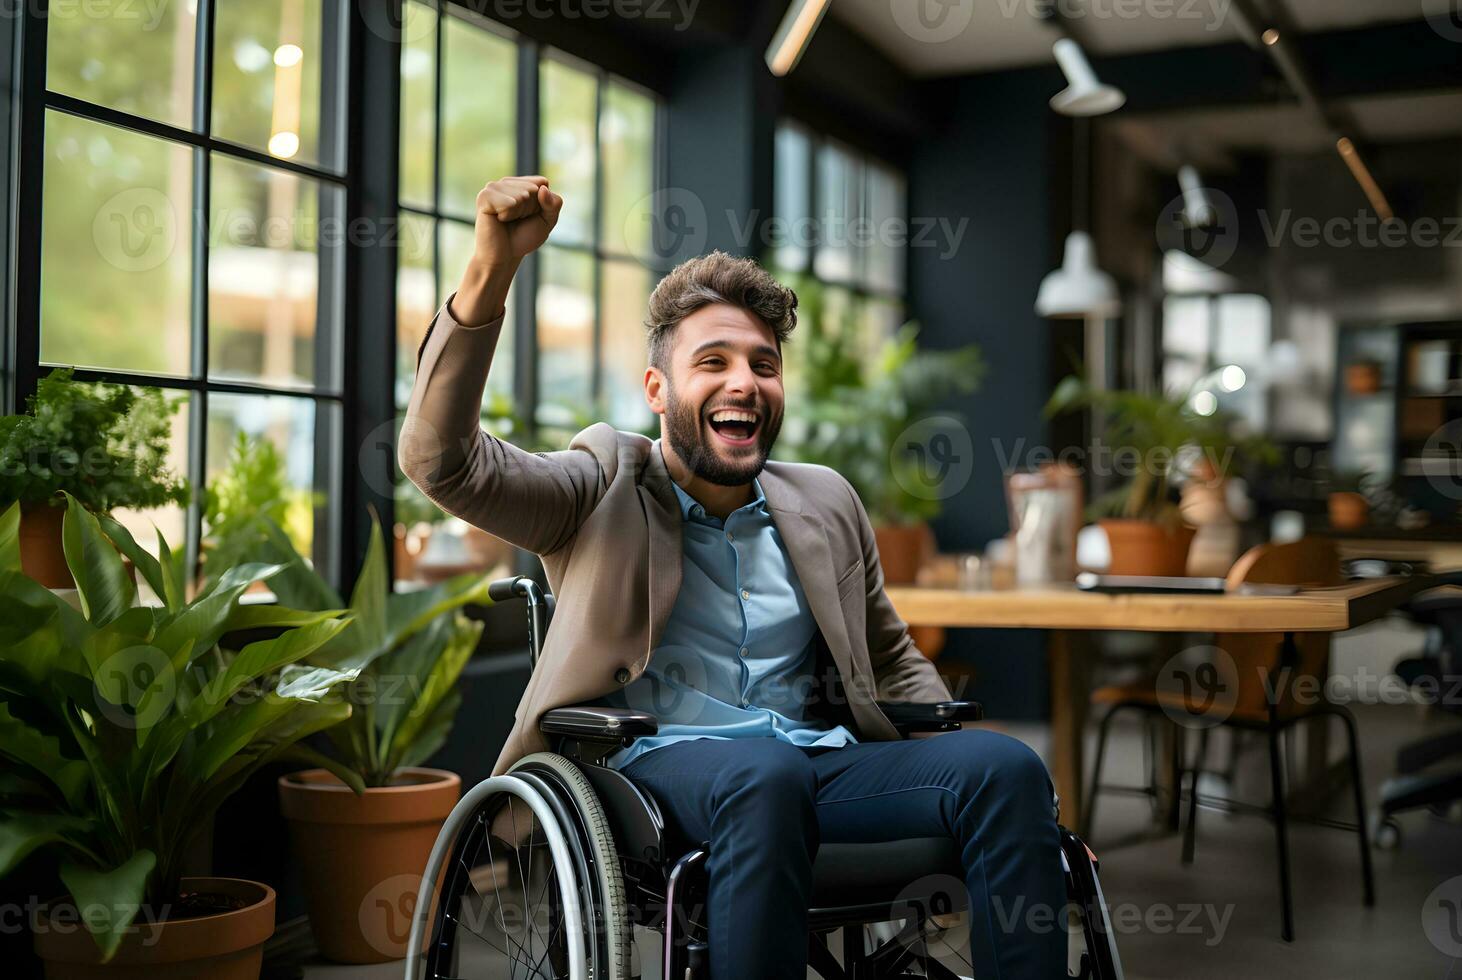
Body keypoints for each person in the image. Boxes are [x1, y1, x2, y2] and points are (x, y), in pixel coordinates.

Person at [398, 175, 1066, 979]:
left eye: (764, 363)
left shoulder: (824, 500)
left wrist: (1000, 797)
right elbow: (443, 462)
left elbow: (889, 661)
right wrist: (490, 270)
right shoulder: (601, 478)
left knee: (1007, 769)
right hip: (645, 770)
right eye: (712, 361)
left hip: (813, 762)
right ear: (659, 390)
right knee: (764, 773)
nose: (744, 381)